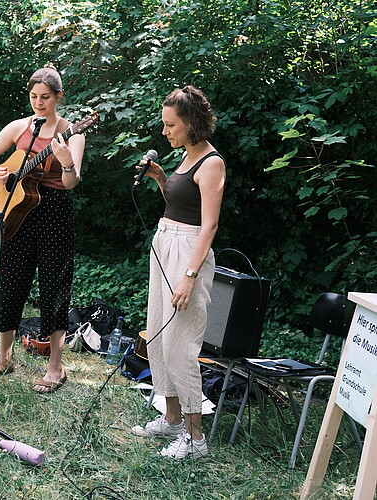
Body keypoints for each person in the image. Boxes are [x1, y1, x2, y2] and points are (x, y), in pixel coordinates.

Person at [0, 64, 85, 393]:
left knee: (54, 289)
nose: (39, 102)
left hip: (54, 212)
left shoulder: (72, 133)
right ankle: (3, 358)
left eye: (45, 97)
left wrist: (65, 161)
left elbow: (71, 181)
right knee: (9, 284)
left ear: (59, 97)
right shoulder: (19, 127)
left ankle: (55, 369)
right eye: (34, 96)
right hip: (16, 213)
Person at [130, 85, 226, 459]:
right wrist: (159, 178)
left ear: (190, 123)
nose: (165, 131)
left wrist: (189, 276)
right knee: (156, 333)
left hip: (189, 252)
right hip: (165, 241)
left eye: (171, 125)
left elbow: (209, 225)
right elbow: (180, 205)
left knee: (181, 345)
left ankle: (195, 439)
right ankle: (170, 419)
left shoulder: (212, 163)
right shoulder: (186, 157)